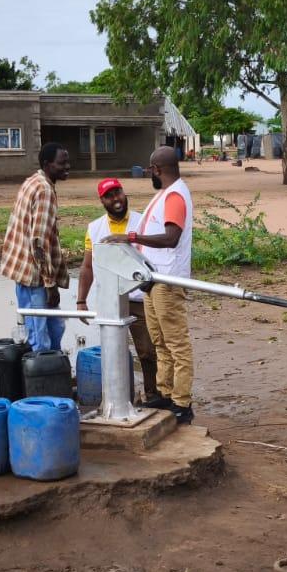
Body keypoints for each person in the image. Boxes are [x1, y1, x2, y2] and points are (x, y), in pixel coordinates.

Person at [106, 146, 195, 423]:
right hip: (153, 280)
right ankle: (165, 394)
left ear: (156, 169)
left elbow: (171, 238)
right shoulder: (165, 194)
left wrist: (132, 237)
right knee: (160, 342)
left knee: (176, 344)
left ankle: (182, 403)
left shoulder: (175, 195)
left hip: (168, 281)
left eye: (149, 170)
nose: (149, 175)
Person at [75, 177, 158, 400]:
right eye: (109, 196)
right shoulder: (95, 228)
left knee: (148, 351)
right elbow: (87, 267)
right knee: (113, 353)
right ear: (102, 201)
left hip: (139, 298)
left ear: (124, 193)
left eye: (118, 193)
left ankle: (153, 395)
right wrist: (81, 301)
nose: (116, 199)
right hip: (110, 301)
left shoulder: (142, 222)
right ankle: (119, 398)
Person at [0, 142, 70, 353]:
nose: (67, 167)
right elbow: (38, 241)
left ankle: (54, 366)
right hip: (34, 276)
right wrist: (50, 283)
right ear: (47, 164)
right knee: (40, 338)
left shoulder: (33, 181)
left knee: (53, 328)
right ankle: (43, 371)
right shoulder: (44, 190)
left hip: (24, 270)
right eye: (62, 163)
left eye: (67, 162)